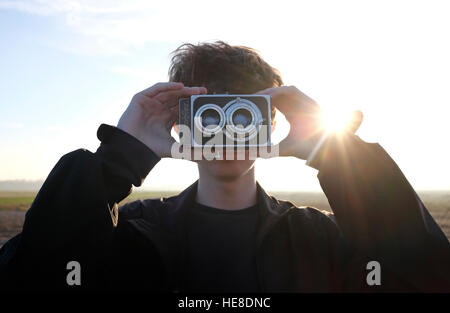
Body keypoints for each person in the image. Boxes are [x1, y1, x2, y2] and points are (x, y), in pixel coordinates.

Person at [0, 41, 449, 292]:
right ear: (179, 125)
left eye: (244, 114)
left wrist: (341, 157)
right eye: (207, 115)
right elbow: (31, 279)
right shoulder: (126, 236)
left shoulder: (324, 238)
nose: (227, 132)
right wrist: (117, 161)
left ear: (273, 124)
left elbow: (427, 277)